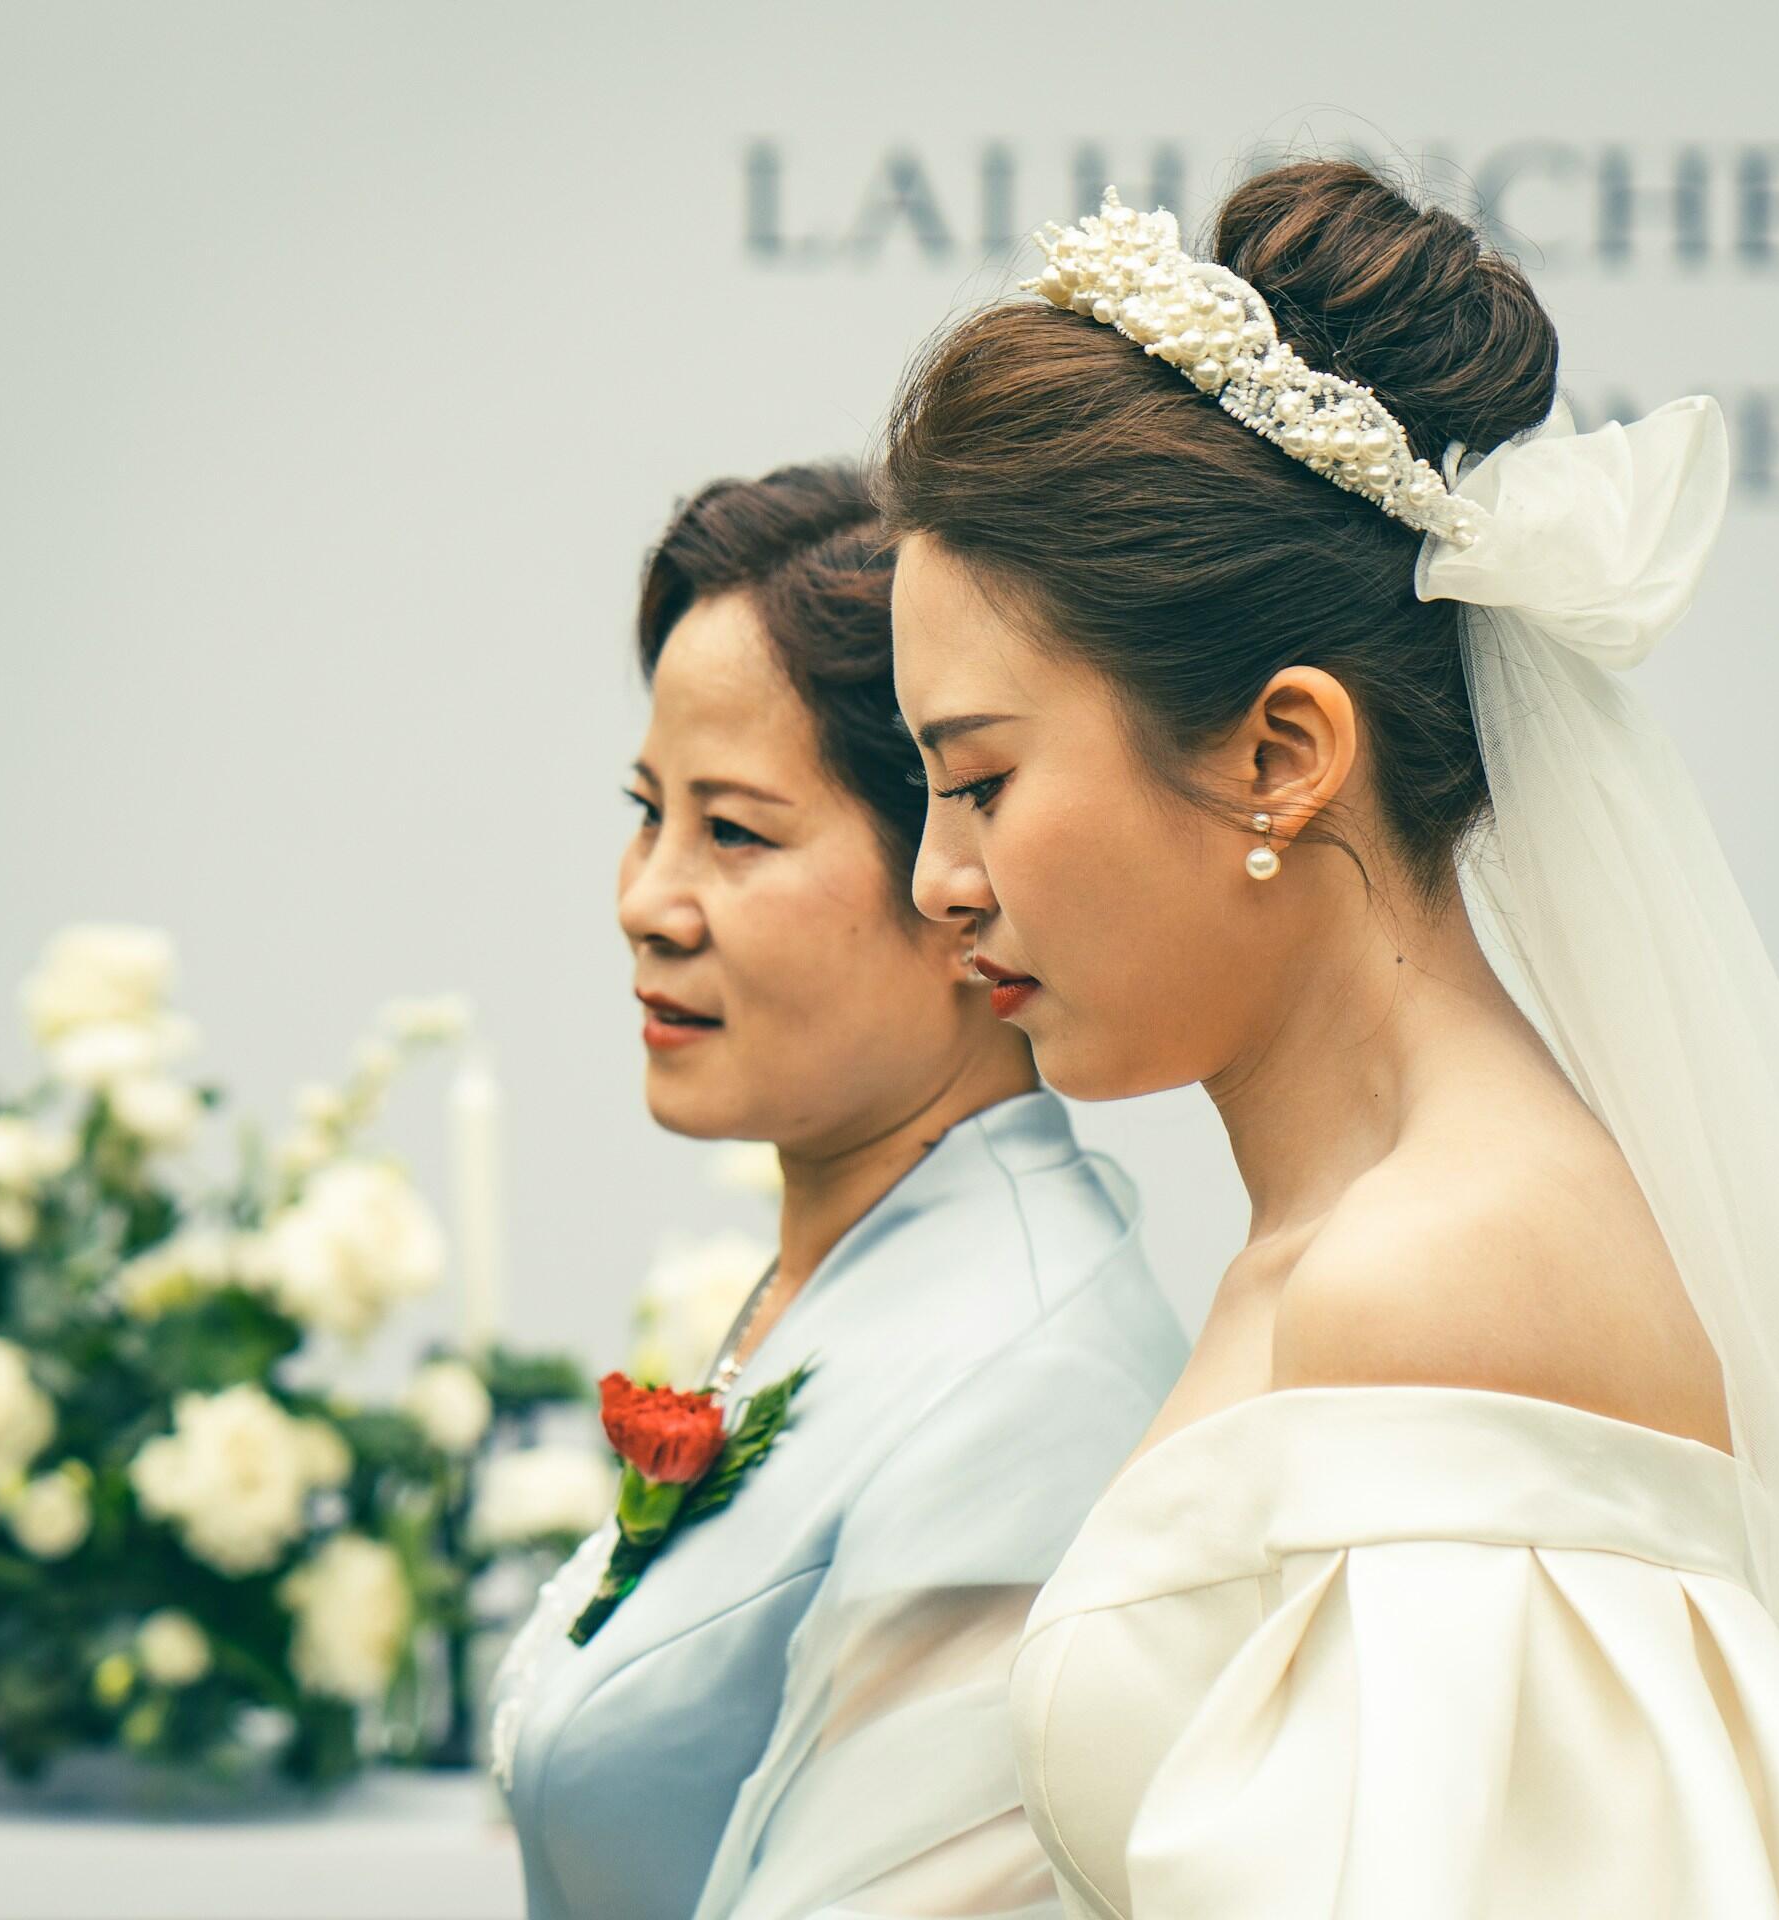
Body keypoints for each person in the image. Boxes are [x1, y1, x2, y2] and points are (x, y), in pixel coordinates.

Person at [879, 159, 1779, 1913]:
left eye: (982, 780)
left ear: (1282, 751)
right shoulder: (1360, 1240)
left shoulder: (1443, 1279)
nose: (940, 879)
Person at [487, 462, 1188, 1920]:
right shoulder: (859, 1276)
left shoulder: (1028, 1382)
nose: (645, 899)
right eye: (648, 811)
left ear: (955, 883)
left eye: (734, 832)